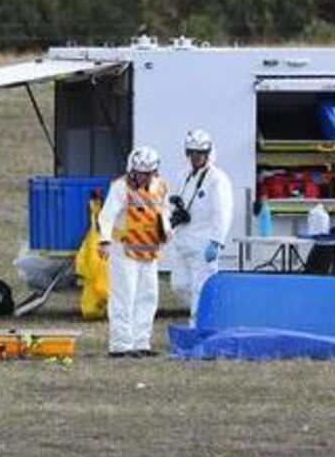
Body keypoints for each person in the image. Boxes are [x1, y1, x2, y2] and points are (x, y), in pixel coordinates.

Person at [98, 147, 172, 358]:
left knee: (148, 297)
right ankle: (121, 345)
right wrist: (104, 241)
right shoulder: (120, 187)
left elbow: (164, 211)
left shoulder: (161, 187)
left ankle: (141, 342)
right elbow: (106, 216)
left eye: (147, 173)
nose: (143, 177)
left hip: (149, 251)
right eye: (140, 173)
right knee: (124, 296)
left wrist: (166, 229)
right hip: (123, 250)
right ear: (132, 169)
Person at [169, 129, 234, 325]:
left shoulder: (217, 178)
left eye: (200, 153)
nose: (196, 157)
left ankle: (198, 328)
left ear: (208, 153)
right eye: (192, 153)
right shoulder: (185, 176)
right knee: (179, 285)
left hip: (204, 244)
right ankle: (212, 311)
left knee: (201, 288)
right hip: (183, 242)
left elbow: (223, 211)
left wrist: (216, 241)